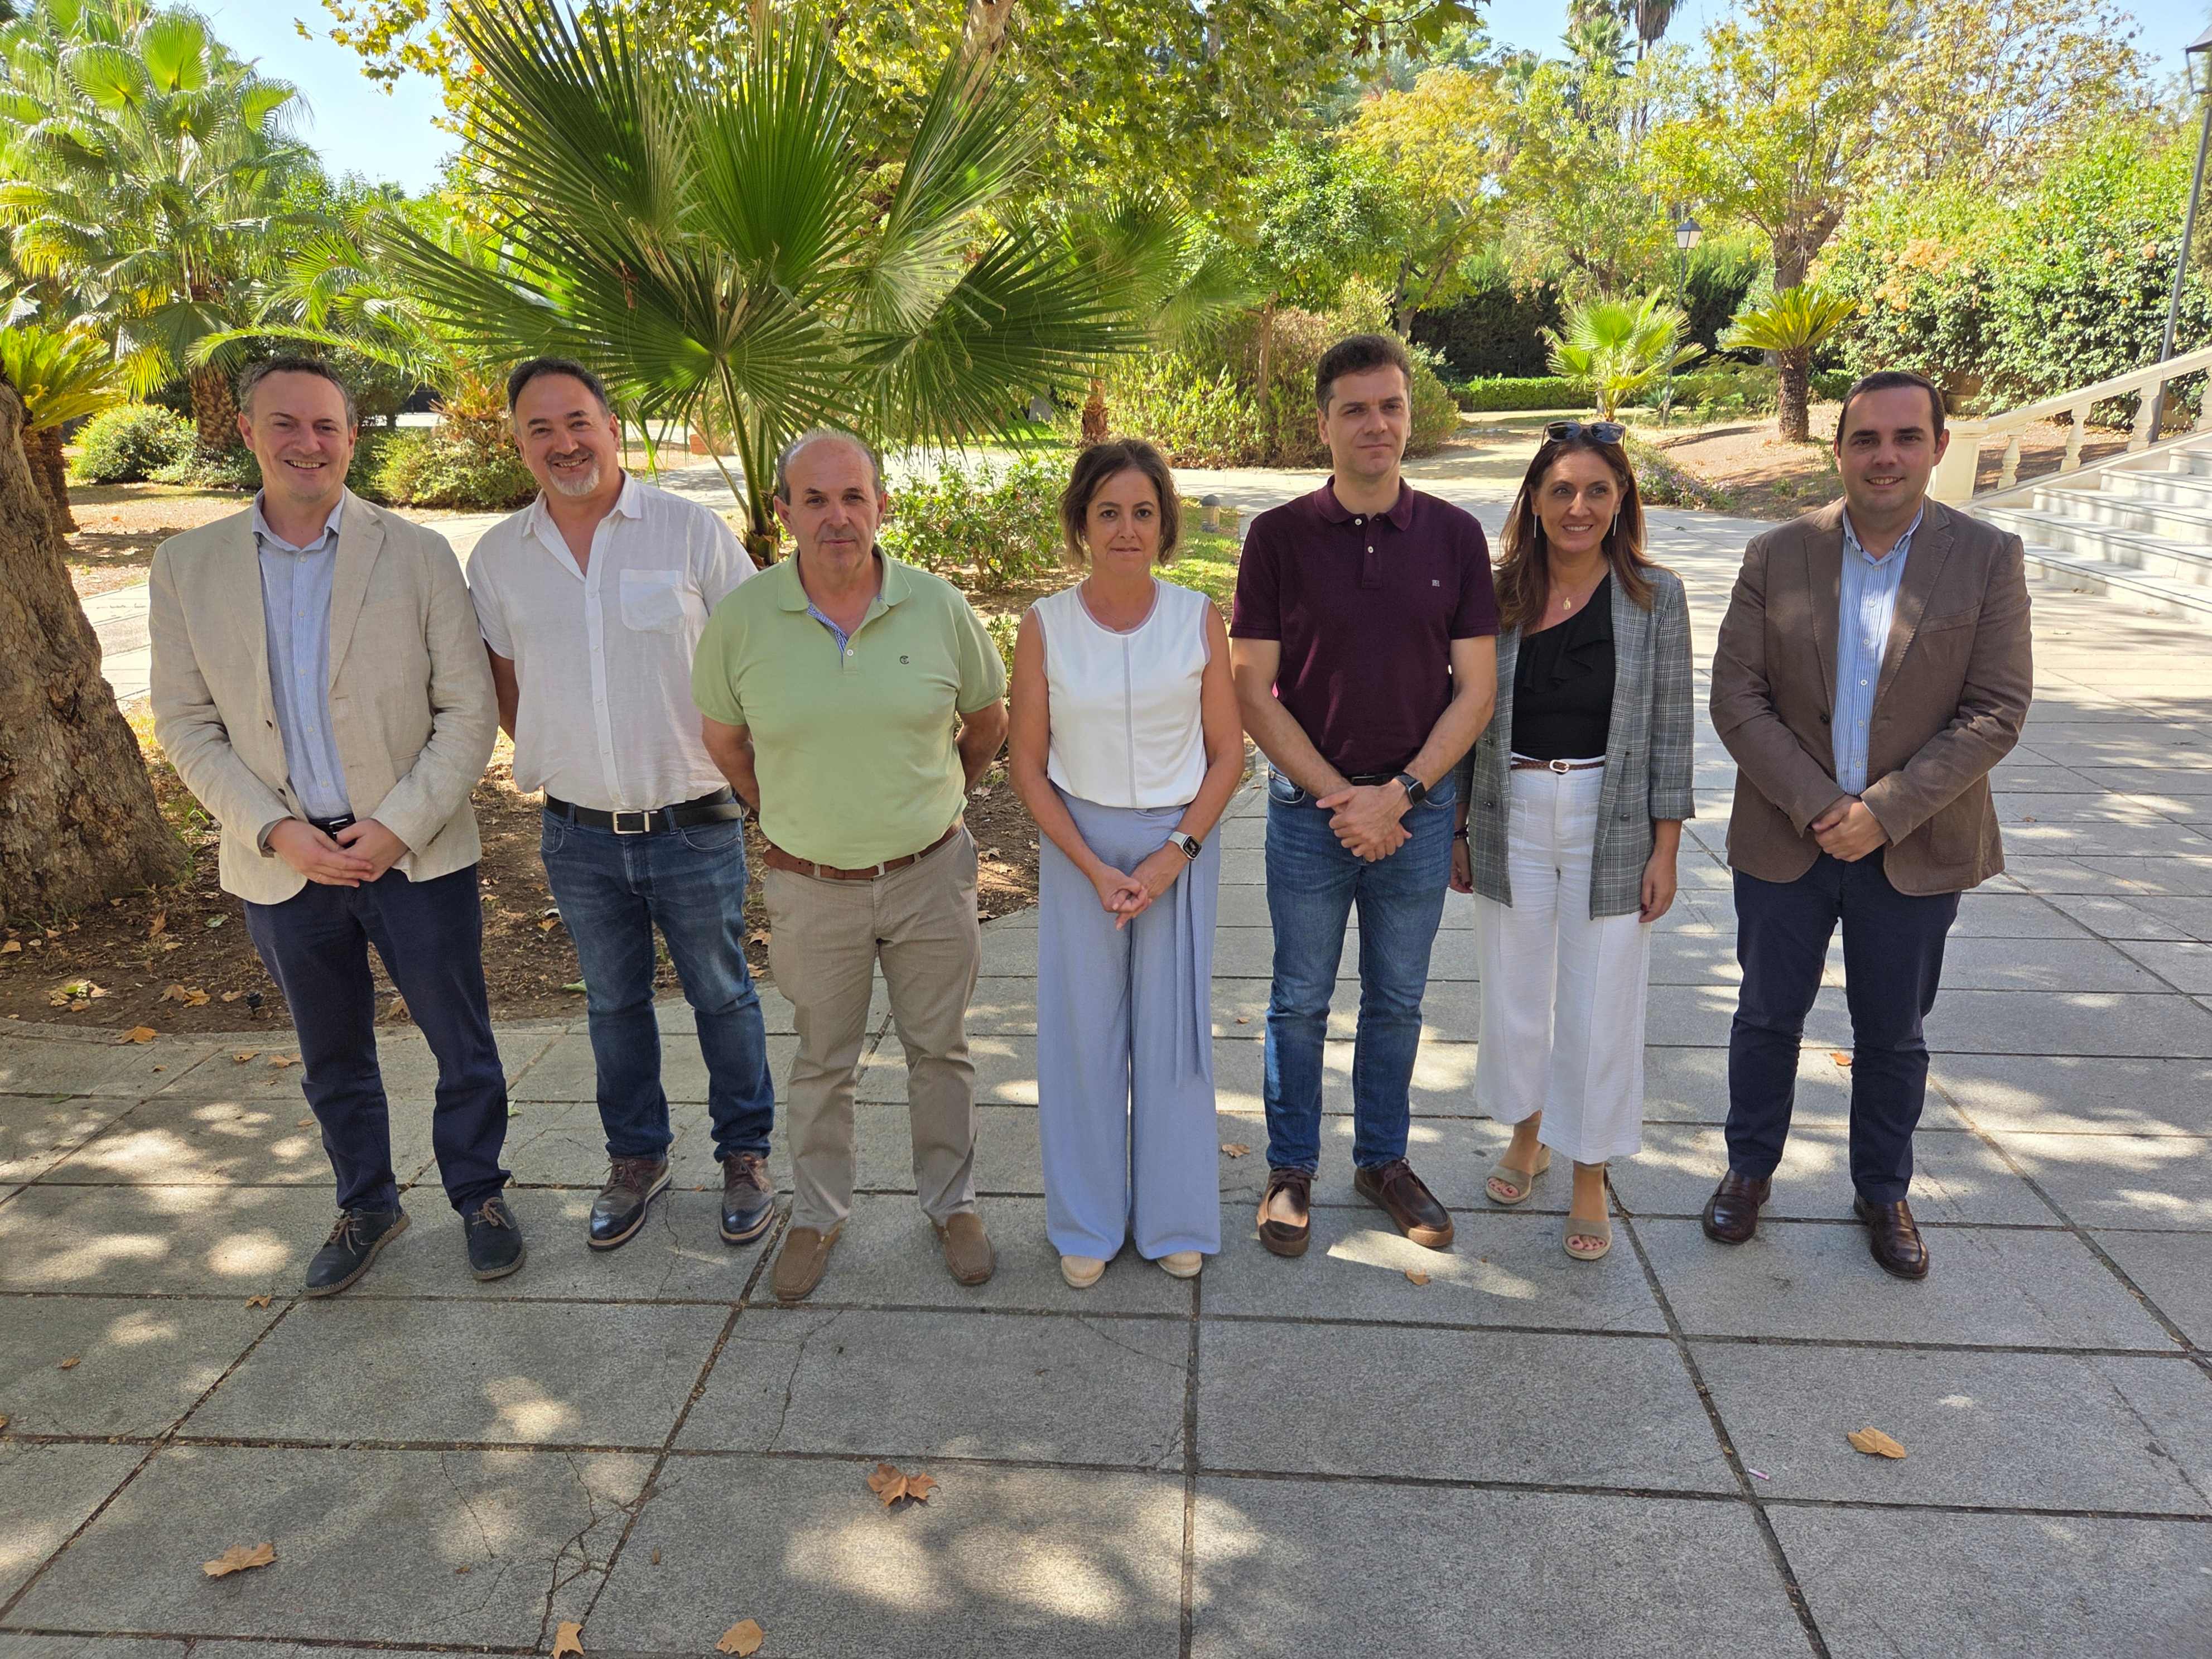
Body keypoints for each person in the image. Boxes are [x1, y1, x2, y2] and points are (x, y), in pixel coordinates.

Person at [147, 355, 515, 1296]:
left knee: (459, 1040)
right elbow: (186, 724)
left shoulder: (420, 553)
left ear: (353, 436)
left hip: (413, 852)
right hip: (284, 863)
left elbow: (466, 713)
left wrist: (397, 825)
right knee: (331, 1054)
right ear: (246, 432)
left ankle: (480, 1194)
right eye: (285, 424)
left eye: (326, 426)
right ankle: (368, 1201)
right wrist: (276, 831)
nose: (306, 443)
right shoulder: (186, 567)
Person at [1704, 369, 2032, 1280]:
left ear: (1935, 444)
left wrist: (1881, 813)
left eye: (1903, 437)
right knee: (1766, 1015)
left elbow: (1995, 710)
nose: (1883, 456)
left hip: (1916, 847)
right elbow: (1736, 696)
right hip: (1786, 836)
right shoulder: (1775, 555)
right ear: (1837, 449)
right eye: (1864, 438)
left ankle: (1882, 1189)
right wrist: (1819, 804)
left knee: (1893, 1031)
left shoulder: (1986, 556)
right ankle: (1748, 1169)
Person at [467, 357, 776, 1254]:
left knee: (722, 995)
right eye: (540, 429)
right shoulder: (499, 559)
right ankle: (636, 1158)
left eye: (577, 421)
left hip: (694, 821)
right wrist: (574, 758)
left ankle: (745, 1153)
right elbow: (510, 691)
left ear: (612, 425)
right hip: (578, 833)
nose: (563, 443)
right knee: (612, 1005)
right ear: (519, 443)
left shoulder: (688, 532)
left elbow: (755, 660)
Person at [692, 430, 1009, 1302]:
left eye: (854, 497)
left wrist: (940, 798)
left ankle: (954, 1203)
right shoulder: (743, 619)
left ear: (880, 505)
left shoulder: (939, 607)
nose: (838, 517)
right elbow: (725, 741)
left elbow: (986, 723)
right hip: (811, 884)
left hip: (928, 875)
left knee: (939, 1050)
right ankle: (817, 1213)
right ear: (784, 510)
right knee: (821, 1060)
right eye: (816, 499)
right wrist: (782, 816)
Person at [1229, 333, 1499, 1260]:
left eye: (1390, 405)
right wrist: (1346, 797)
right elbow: (1249, 689)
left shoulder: (1456, 538)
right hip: (1310, 817)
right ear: (1323, 424)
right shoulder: (1275, 539)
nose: (1375, 424)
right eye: (1354, 408)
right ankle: (1290, 1167)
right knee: (1298, 1000)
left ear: (1407, 415)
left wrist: (1404, 794)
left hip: (1417, 821)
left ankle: (1382, 1159)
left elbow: (1476, 689)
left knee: (1397, 1000)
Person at [1447, 422, 1693, 1262]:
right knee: (1515, 989)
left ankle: (1590, 1169)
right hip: (1508, 804)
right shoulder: (1497, 594)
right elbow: (1466, 712)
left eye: (1595, 489)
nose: (1577, 506)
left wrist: (1665, 849)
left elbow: (1669, 733)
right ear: (1534, 500)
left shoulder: (1656, 596)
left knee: (1600, 1002)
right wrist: (1456, 823)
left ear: (1621, 498)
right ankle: (1528, 1131)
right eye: (1560, 490)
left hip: (1610, 815)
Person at [1008, 440, 1244, 1288]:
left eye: (1143, 512)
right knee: (1082, 1035)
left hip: (1177, 844)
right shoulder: (1044, 626)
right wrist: (1088, 863)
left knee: (1173, 1033)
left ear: (1164, 525)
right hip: (1080, 846)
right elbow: (1026, 765)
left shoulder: (1196, 617)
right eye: (1108, 511)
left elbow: (1227, 754)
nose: (1126, 528)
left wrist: (1175, 853)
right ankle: (1086, 1219)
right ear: (1080, 523)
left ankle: (1176, 1215)